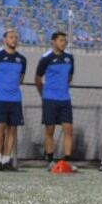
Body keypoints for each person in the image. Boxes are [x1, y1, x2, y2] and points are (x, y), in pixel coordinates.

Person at [0, 29, 27, 171]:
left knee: (12, 129)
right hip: (0, 98)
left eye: (16, 37)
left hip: (15, 99)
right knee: (0, 127)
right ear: (4, 39)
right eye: (11, 37)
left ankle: (6, 160)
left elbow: (20, 79)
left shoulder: (22, 59)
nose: (14, 39)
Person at [35, 31, 75, 169]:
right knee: (50, 130)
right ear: (53, 42)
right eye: (61, 40)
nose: (63, 43)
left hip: (65, 99)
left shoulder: (70, 58)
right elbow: (38, 79)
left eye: (65, 40)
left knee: (68, 129)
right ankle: (50, 159)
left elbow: (69, 77)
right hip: (49, 99)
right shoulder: (46, 58)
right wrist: (44, 94)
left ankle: (67, 160)